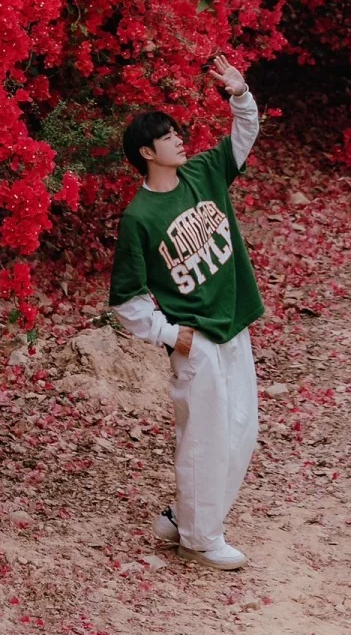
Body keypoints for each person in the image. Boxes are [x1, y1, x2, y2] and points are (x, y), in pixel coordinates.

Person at [108, 53, 263, 570]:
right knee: (205, 438)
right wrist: (171, 335)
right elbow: (128, 301)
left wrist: (239, 94)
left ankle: (182, 517)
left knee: (242, 431)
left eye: (177, 131)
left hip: (232, 321)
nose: (180, 138)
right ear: (148, 152)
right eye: (168, 136)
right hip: (195, 339)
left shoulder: (204, 173)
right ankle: (199, 540)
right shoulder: (139, 217)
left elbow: (244, 135)